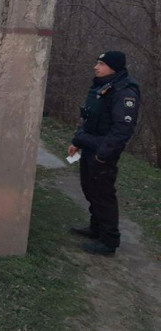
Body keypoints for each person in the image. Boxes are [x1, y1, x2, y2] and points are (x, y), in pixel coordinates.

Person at [69, 51, 140, 255]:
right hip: (90, 146)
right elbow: (89, 118)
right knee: (90, 189)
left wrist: (104, 155)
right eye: (97, 62)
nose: (96, 66)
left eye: (101, 63)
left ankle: (109, 241)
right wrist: (77, 141)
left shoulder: (125, 92)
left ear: (113, 67)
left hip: (102, 152)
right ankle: (96, 228)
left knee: (103, 195)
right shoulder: (101, 87)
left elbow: (122, 130)